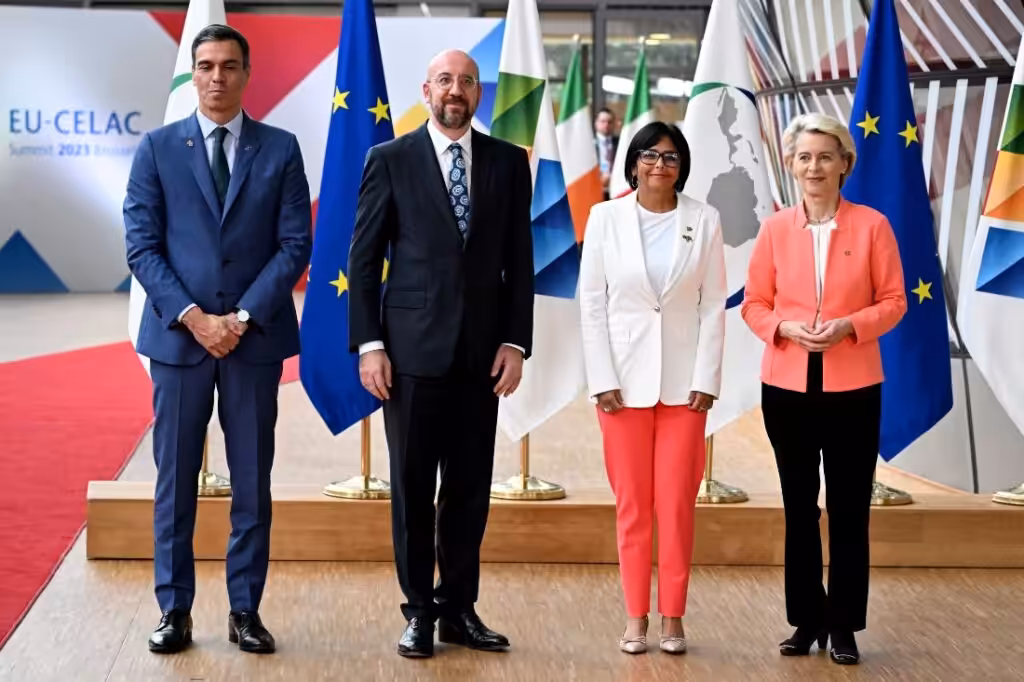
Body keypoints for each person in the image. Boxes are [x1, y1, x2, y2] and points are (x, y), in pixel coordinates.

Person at [124, 24, 312, 655]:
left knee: (251, 482)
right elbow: (141, 246)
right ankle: (173, 610)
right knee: (174, 482)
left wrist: (241, 318)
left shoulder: (280, 148)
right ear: (193, 73)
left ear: (246, 73)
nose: (216, 77)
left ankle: (245, 610)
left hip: (252, 344)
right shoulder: (157, 149)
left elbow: (294, 245)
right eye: (205, 66)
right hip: (179, 344)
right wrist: (195, 317)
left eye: (229, 66)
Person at [347, 49, 534, 659]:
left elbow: (520, 260)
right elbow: (363, 261)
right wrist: (370, 345)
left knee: (470, 489)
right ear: (426, 90)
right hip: (409, 357)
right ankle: (418, 612)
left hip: (483, 357)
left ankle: (458, 609)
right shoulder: (389, 159)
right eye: (446, 80)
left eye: (467, 81)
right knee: (411, 489)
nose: (456, 90)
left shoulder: (508, 162)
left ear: (479, 94)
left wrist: (516, 341)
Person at [741, 112, 907, 665]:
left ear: (844, 165)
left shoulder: (873, 226)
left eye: (825, 156)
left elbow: (894, 301)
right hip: (786, 386)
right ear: (791, 165)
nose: (814, 167)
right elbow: (754, 304)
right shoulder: (773, 229)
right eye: (804, 157)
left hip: (854, 387)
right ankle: (807, 619)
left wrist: (850, 326)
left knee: (850, 508)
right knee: (798, 508)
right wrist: (783, 328)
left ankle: (844, 626)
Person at [579, 121, 726, 655]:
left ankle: (674, 616)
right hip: (621, 387)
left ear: (681, 166)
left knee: (678, 504)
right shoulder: (605, 218)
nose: (659, 165)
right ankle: (635, 615)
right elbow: (591, 303)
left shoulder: (704, 219)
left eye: (670, 157)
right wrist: (602, 378)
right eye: (649, 155)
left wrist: (707, 378)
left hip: (686, 390)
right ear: (633, 163)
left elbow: (714, 304)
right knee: (634, 505)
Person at [594, 107, 619, 200]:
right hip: (594, 189)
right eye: (603, 121)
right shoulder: (587, 143)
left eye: (609, 122)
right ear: (596, 123)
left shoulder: (621, 143)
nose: (606, 124)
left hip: (615, 191)